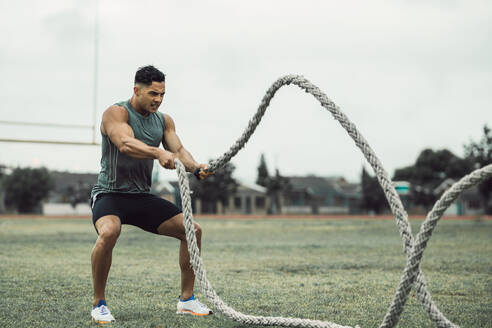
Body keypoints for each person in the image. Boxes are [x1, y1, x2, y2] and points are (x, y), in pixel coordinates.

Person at [89, 65, 214, 324]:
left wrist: (195, 167)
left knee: (193, 231)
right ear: (137, 90)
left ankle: (187, 300)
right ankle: (98, 303)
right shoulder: (116, 113)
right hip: (110, 194)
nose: (158, 99)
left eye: (162, 95)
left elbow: (178, 149)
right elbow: (124, 143)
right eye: (153, 94)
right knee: (110, 231)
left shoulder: (164, 121)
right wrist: (157, 153)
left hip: (140, 197)